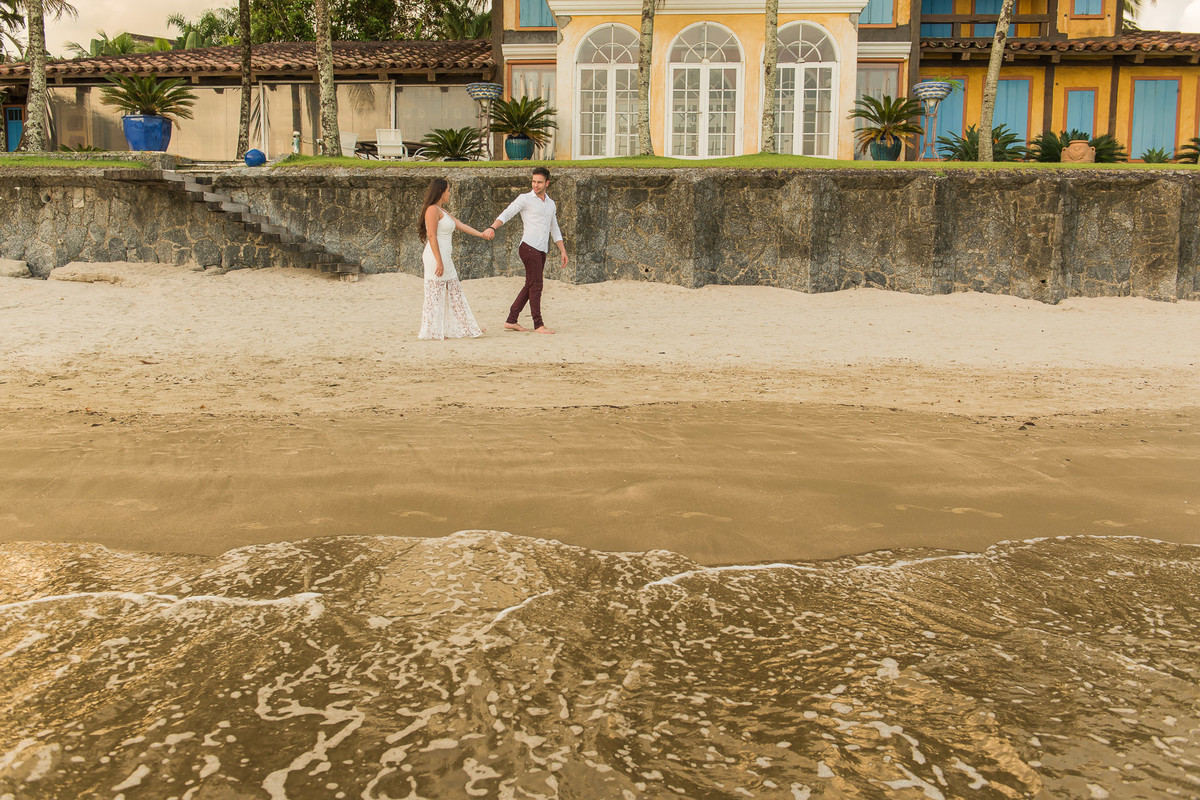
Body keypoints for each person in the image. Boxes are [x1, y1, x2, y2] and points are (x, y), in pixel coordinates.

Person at [482, 166, 567, 335]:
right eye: (534, 181)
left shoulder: (551, 204)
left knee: (530, 284)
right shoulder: (525, 199)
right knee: (536, 285)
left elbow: (554, 228)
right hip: (529, 247)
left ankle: (511, 320)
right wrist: (492, 227)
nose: (536, 185)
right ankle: (538, 324)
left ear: (547, 183)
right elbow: (507, 214)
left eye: (539, 182)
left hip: (542, 249)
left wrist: (563, 251)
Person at [418, 178, 486, 341]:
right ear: (441, 192)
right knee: (436, 293)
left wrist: (481, 234)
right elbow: (432, 235)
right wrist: (439, 261)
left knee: (454, 291)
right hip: (435, 257)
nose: (449, 193)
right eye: (448, 190)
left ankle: (466, 326)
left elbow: (461, 225)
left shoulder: (442, 211)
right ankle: (433, 331)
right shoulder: (432, 210)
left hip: (444, 257)